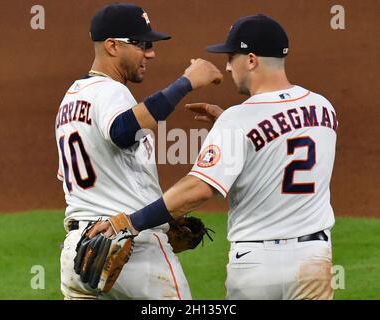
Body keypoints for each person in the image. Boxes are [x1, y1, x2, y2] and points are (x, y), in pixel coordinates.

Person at [91, 14, 338, 300]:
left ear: (251, 60)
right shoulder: (323, 109)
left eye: (232, 57)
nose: (228, 65)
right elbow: (283, 140)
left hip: (256, 267)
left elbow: (199, 188)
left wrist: (130, 222)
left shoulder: (238, 120)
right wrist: (234, 131)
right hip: (313, 259)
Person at [55, 3, 222, 300]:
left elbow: (106, 175)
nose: (151, 53)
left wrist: (167, 219)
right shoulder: (110, 92)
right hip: (131, 251)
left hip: (78, 253)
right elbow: (123, 132)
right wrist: (188, 82)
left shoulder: (70, 99)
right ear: (112, 46)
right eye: (141, 44)